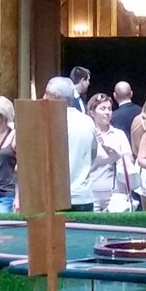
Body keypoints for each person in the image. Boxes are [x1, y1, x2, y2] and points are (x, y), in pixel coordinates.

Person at [50, 76, 98, 211]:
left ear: (55, 96)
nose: (43, 98)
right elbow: (93, 154)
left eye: (46, 94)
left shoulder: (49, 123)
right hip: (83, 196)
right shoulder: (88, 121)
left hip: (55, 197)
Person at [85, 94, 136, 212]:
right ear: (92, 113)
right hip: (91, 191)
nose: (107, 112)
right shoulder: (87, 134)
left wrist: (116, 155)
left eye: (109, 109)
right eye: (102, 109)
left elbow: (128, 161)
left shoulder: (119, 134)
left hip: (115, 193)